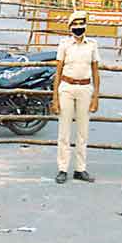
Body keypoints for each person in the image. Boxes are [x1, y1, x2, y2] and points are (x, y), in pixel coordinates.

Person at [51, 10, 100, 184]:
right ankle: (62, 168)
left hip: (85, 88)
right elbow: (58, 71)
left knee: (82, 132)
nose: (78, 29)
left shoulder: (92, 45)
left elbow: (95, 71)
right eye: (75, 26)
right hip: (67, 87)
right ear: (70, 27)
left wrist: (96, 96)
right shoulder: (64, 44)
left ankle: (80, 168)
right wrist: (55, 97)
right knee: (64, 131)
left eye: (81, 25)